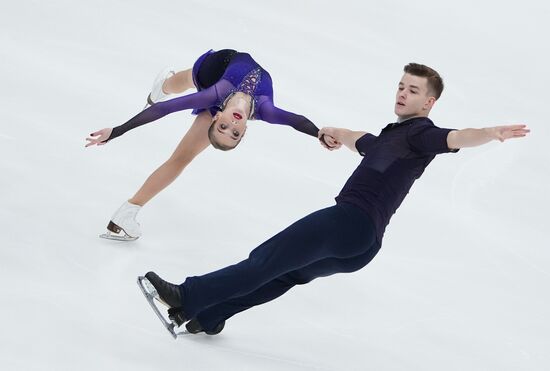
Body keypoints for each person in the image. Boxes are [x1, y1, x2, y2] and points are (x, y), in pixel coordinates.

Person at [139, 62, 529, 335]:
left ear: (428, 103)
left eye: (413, 90)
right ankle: (213, 317)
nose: (402, 93)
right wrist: (331, 133)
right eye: (400, 85)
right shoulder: (392, 140)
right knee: (285, 273)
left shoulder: (421, 135)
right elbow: (362, 141)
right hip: (363, 246)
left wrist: (489, 132)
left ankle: (188, 298)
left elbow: (455, 138)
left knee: (266, 260)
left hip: (349, 223)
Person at [85, 49, 337, 240]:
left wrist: (116, 131)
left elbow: (164, 109)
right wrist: (319, 134)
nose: (233, 125)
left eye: (224, 128)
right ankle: (164, 84)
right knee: (183, 90)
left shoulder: (215, 96)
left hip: (217, 72)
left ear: (216, 117)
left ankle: (127, 212)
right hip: (220, 72)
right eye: (235, 132)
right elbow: (298, 122)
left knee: (182, 150)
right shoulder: (265, 109)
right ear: (244, 131)